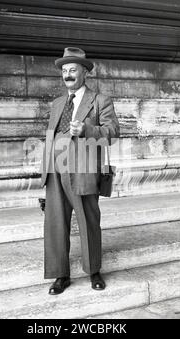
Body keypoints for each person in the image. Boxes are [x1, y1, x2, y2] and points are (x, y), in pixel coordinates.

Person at [41, 47, 120, 295]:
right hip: (56, 170)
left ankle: (94, 271)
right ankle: (60, 275)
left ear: (84, 72)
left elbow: (113, 133)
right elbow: (50, 137)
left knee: (88, 222)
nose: (68, 75)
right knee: (55, 224)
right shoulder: (56, 104)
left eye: (73, 70)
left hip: (83, 169)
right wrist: (45, 171)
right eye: (64, 71)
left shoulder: (99, 101)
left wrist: (87, 129)